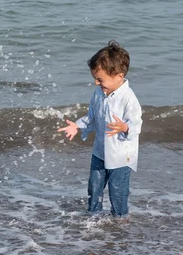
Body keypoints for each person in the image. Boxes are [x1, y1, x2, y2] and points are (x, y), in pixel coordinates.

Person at [58, 40, 142, 217]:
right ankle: (93, 218)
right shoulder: (98, 93)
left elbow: (137, 125)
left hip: (120, 156)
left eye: (100, 79)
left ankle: (120, 221)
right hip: (100, 151)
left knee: (117, 193)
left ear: (118, 76)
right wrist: (78, 126)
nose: (96, 83)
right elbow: (92, 117)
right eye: (95, 78)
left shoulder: (128, 98)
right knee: (94, 188)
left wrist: (125, 127)